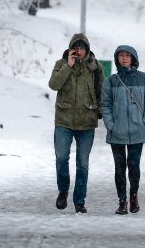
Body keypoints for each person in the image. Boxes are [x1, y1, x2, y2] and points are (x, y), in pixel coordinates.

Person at [48, 33, 105, 214]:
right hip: (63, 120)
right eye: (76, 47)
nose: (79, 51)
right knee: (62, 158)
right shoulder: (61, 64)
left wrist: (101, 111)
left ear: (87, 49)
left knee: (83, 163)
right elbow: (53, 85)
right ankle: (63, 191)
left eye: (82, 48)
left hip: (87, 122)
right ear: (71, 48)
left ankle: (79, 200)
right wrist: (68, 67)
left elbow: (101, 91)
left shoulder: (95, 67)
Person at [101, 45, 145, 215]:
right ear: (117, 58)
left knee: (134, 166)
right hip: (117, 132)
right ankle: (122, 201)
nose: (124, 58)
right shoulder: (110, 81)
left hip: (137, 131)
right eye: (121, 55)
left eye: (127, 56)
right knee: (119, 168)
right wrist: (111, 125)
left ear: (133, 58)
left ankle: (134, 195)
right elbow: (105, 105)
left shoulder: (144, 79)